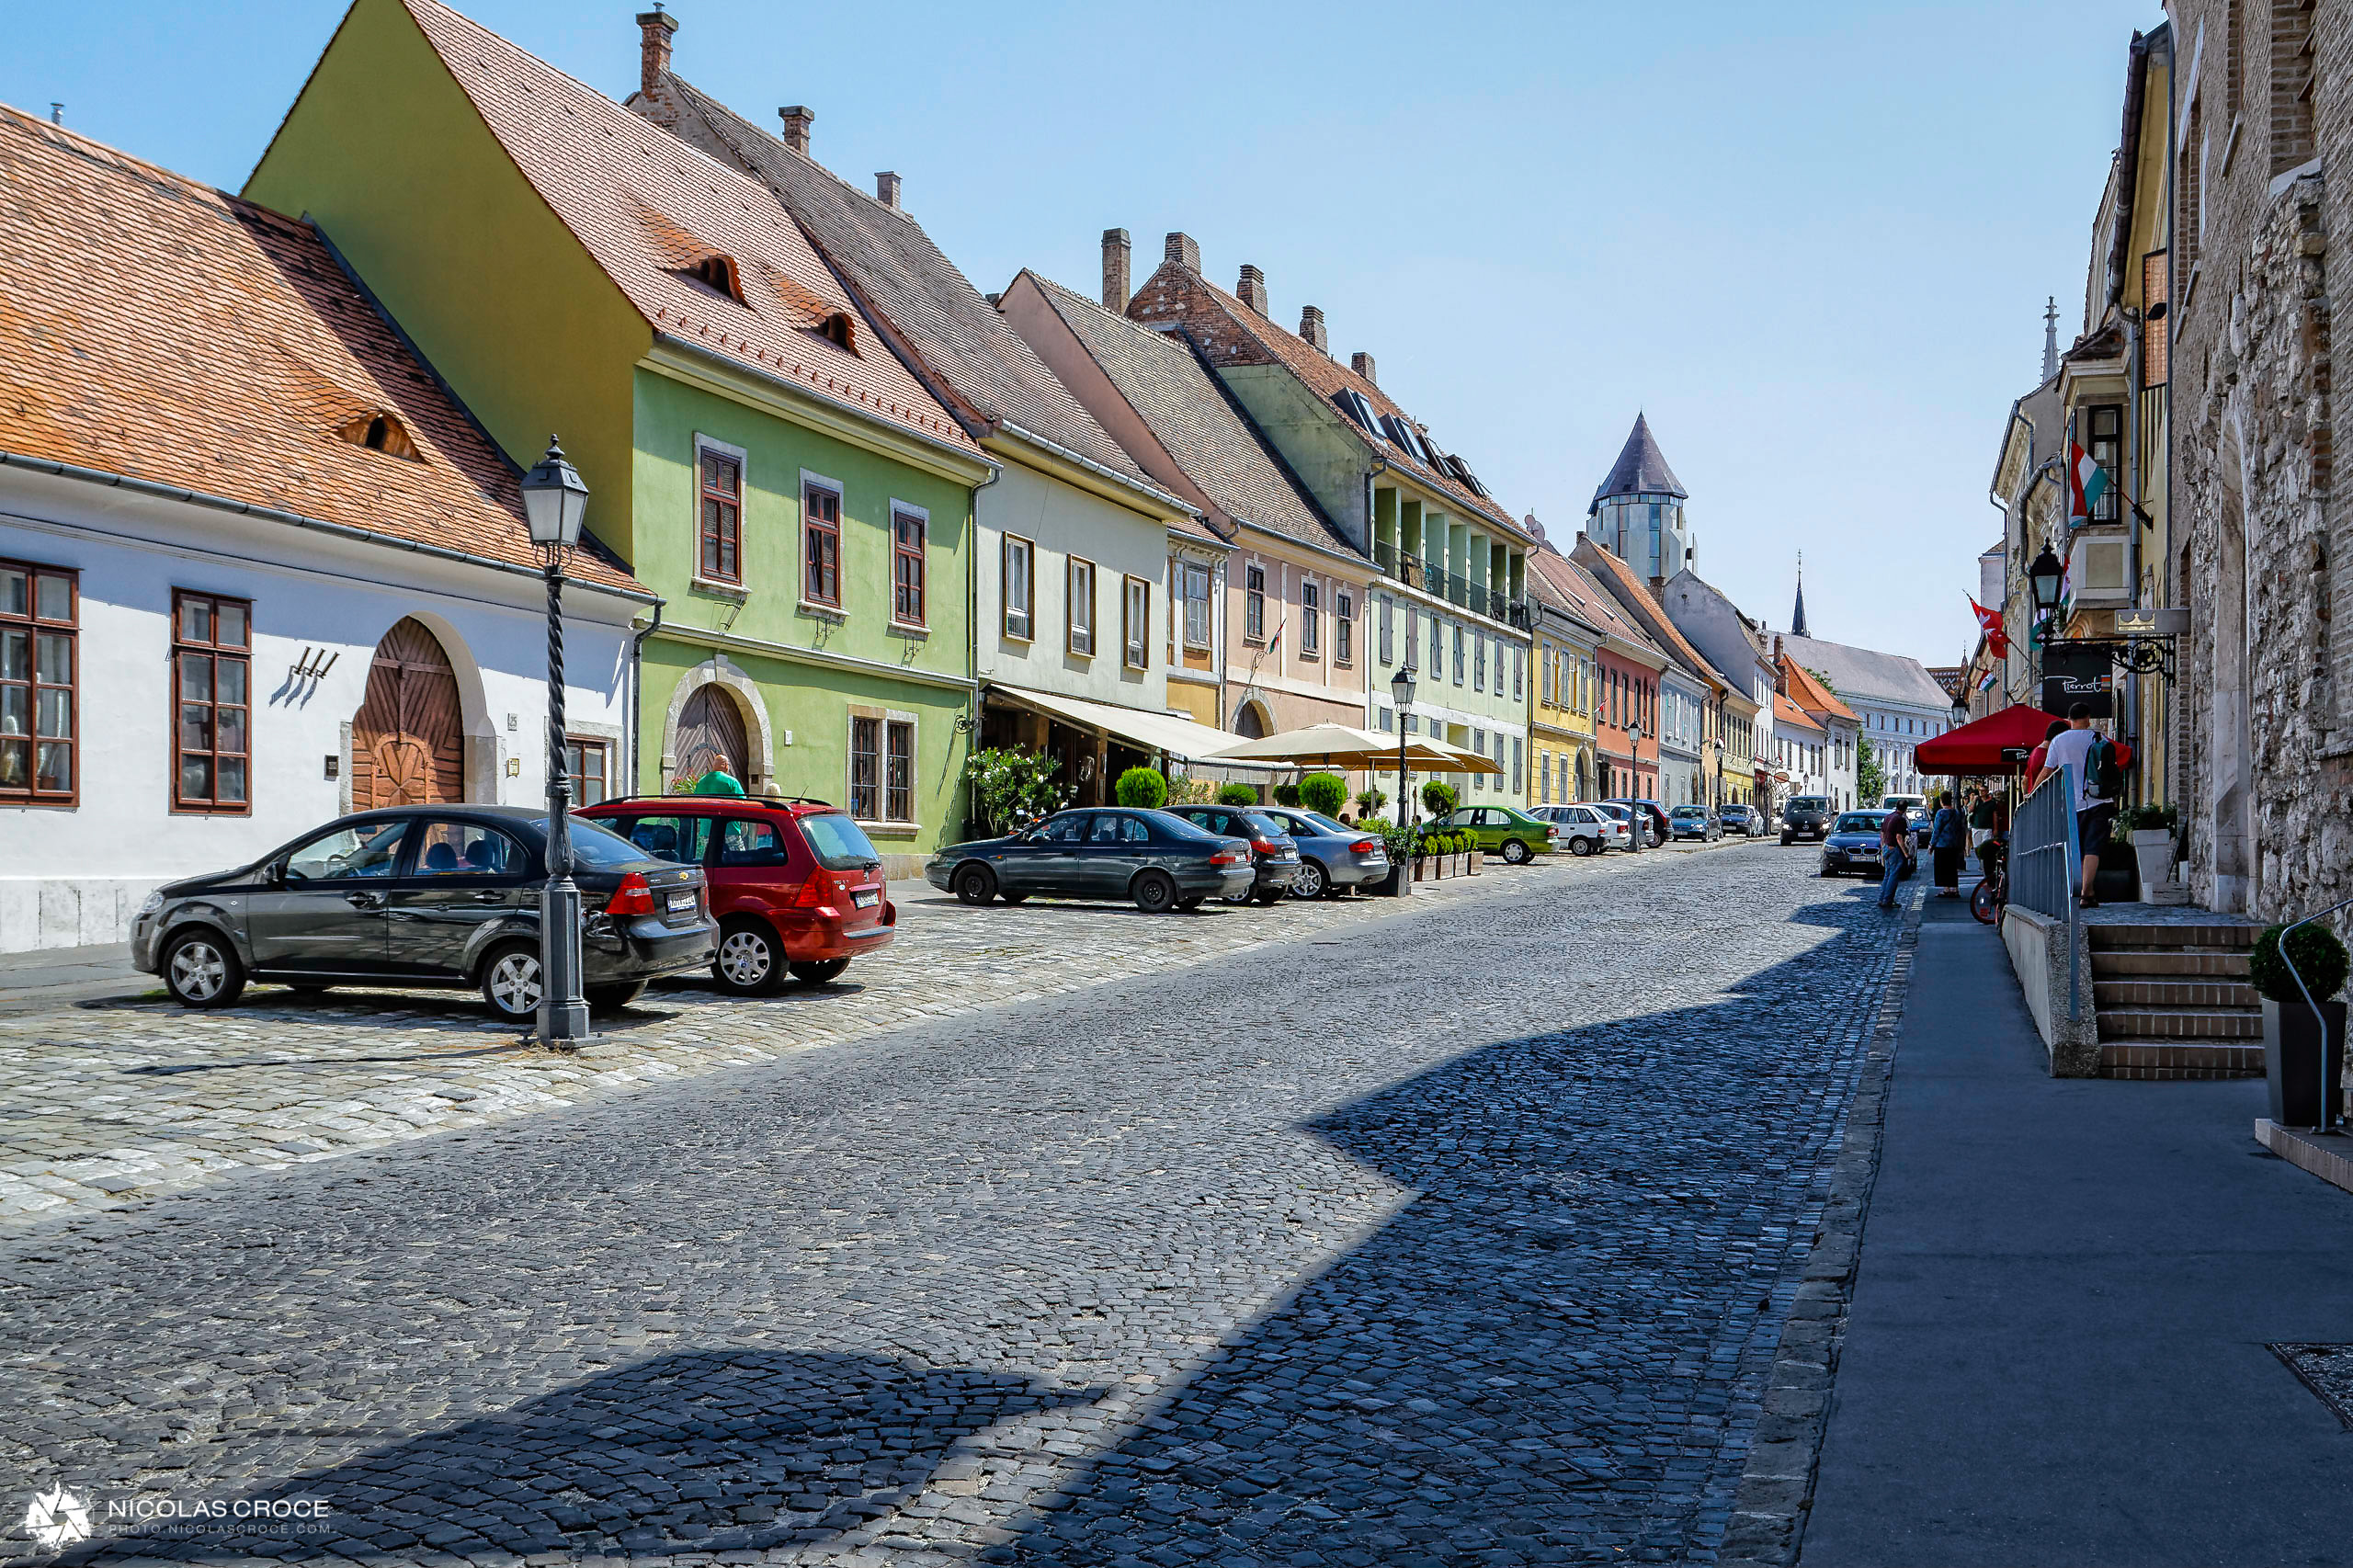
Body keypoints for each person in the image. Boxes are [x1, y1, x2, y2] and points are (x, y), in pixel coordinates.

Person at [2033, 702, 2115, 908]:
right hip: (2099, 800)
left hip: (2071, 803)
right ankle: (2087, 891)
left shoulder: (2059, 741)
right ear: (2087, 718)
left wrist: (2032, 794)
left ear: (2069, 719)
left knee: (2075, 848)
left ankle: (2076, 889)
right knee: (2093, 847)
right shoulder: (2098, 738)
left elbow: (2047, 770)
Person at [1876, 801, 1915, 910]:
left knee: (1887, 875)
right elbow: (1899, 837)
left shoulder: (1888, 817)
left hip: (1887, 848)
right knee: (1894, 875)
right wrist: (1906, 853)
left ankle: (1882, 898)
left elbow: (1882, 833)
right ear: (1905, 809)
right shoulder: (1900, 819)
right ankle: (1888, 900)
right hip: (1894, 849)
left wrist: (1883, 846)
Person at [1930, 790, 1965, 897]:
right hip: (1954, 844)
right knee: (1952, 868)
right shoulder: (1956, 813)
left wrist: (1931, 844)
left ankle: (1947, 889)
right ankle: (1955, 889)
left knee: (1943, 868)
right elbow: (1960, 829)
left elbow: (1936, 830)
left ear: (1941, 801)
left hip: (1942, 844)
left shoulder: (1940, 813)